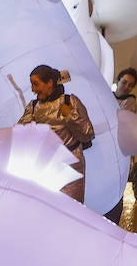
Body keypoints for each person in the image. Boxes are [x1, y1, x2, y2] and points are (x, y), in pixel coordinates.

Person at [18, 65, 95, 203]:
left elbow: (87, 134)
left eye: (36, 84)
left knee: (70, 210)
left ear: (50, 83)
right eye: (32, 84)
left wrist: (70, 116)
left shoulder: (70, 101)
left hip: (70, 168)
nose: (33, 90)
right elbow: (20, 132)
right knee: (47, 209)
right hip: (44, 167)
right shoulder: (33, 106)